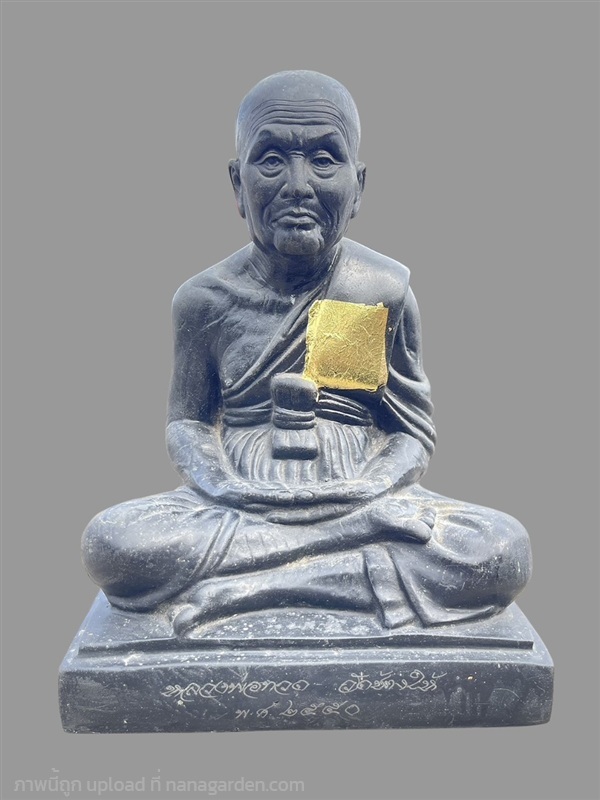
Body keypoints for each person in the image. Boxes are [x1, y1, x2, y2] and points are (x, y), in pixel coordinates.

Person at [82, 71, 531, 635]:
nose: (298, 185)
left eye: (323, 159)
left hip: (357, 495)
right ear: (237, 182)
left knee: (500, 549)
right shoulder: (205, 301)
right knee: (113, 544)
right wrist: (225, 486)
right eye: (271, 160)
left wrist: (367, 489)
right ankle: (345, 566)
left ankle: (252, 590)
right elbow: (189, 422)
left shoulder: (374, 291)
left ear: (358, 185)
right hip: (242, 503)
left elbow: (410, 431)